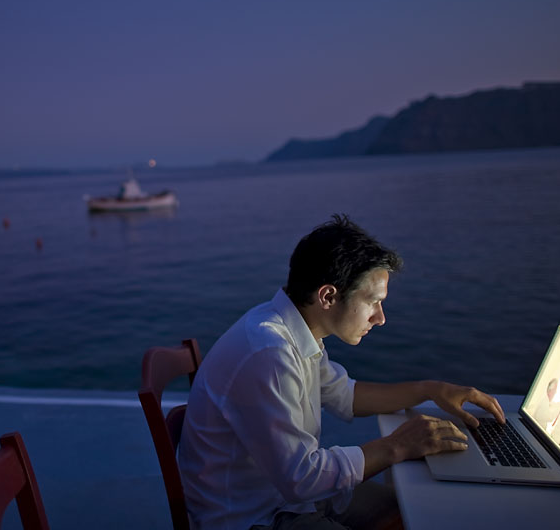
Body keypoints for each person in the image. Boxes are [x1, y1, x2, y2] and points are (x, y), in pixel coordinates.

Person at [178, 215, 505, 530]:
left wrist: (431, 390)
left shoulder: (297, 330)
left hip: (284, 496)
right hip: (255, 516)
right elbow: (301, 478)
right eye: (373, 302)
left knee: (419, 514)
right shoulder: (270, 353)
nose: (380, 318)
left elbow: (345, 395)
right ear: (328, 296)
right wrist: (397, 445)